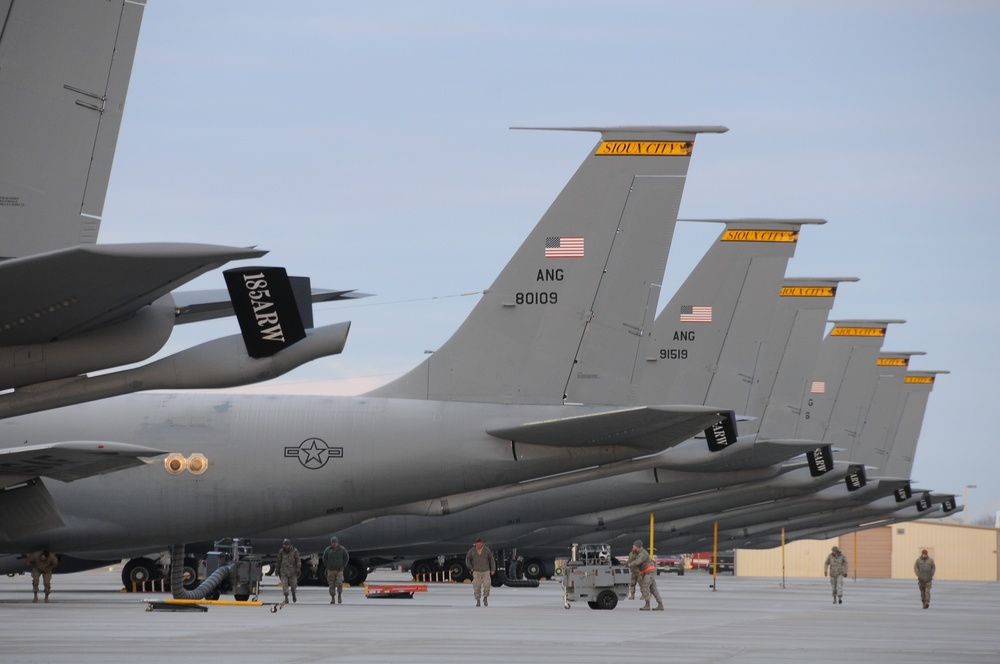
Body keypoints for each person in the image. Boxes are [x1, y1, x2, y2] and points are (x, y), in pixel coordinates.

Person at [626, 540, 663, 611]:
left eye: (634, 546)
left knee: (644, 586)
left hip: (649, 572)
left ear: (637, 546)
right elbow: (632, 559)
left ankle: (647, 605)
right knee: (653, 588)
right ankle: (660, 604)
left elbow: (638, 562)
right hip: (647, 572)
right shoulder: (637, 553)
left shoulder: (643, 553)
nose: (633, 547)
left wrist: (629, 565)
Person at [464, 538, 496, 607]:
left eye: (479, 544)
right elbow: (467, 559)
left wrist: (493, 569)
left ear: (482, 543)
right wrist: (471, 568)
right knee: (476, 586)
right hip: (476, 571)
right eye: (477, 544)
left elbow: (491, 560)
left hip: (486, 570)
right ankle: (478, 600)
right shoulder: (472, 551)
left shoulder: (487, 550)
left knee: (487, 585)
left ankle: (485, 598)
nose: (478, 546)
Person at [322, 536, 350, 605]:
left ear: (337, 543)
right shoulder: (328, 550)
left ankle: (339, 595)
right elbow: (324, 558)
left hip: (339, 569)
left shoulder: (342, 549)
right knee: (331, 584)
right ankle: (333, 598)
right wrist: (327, 565)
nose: (333, 544)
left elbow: (346, 557)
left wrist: (343, 565)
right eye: (332, 543)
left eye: (335, 542)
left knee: (339, 583)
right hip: (331, 570)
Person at [276, 539, 301, 604]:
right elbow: (278, 561)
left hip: (293, 572)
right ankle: (286, 597)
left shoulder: (294, 551)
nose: (286, 546)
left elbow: (298, 560)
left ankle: (293, 594)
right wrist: (277, 569)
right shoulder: (281, 552)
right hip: (284, 572)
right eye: (284, 545)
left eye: (287, 545)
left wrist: (298, 568)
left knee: (293, 586)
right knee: (285, 586)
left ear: (289, 545)